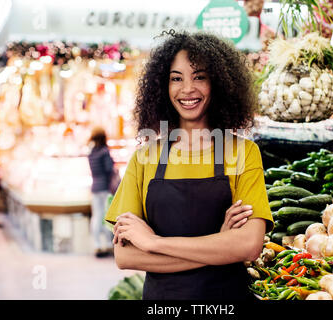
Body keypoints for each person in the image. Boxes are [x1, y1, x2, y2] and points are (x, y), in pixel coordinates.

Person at [105, 30, 274, 300]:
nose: (187, 89)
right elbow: (125, 255)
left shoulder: (243, 152)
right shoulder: (145, 158)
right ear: (162, 86)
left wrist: (154, 244)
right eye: (176, 78)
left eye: (199, 77)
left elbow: (249, 245)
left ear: (218, 83)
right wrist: (221, 246)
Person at [87, 127, 115, 258]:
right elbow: (109, 169)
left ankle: (97, 244)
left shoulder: (91, 152)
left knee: (96, 217)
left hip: (94, 187)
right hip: (105, 187)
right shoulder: (104, 152)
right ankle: (109, 243)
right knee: (106, 216)